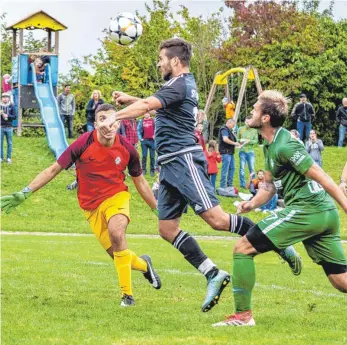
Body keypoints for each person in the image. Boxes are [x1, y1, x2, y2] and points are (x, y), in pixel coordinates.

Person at [98, 38, 300, 312]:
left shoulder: (179, 84)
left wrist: (115, 116)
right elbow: (157, 107)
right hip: (169, 165)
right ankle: (212, 273)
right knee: (166, 229)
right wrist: (131, 100)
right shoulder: (178, 86)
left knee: (217, 220)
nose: (158, 63)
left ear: (175, 61)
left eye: (161, 58)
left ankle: (277, 241)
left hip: (183, 159)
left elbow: (148, 106)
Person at [0, 104, 161, 306]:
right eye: (102, 119)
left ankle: (127, 296)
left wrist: (156, 208)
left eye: (112, 120)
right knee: (118, 254)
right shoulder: (83, 143)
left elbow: (141, 181)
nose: (108, 124)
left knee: (117, 232)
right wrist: (25, 192)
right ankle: (145, 265)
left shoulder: (128, 149)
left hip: (116, 196)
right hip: (90, 207)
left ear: (118, 123)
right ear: (95, 124)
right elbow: (53, 170)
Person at [213, 90, 347, 327]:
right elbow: (269, 187)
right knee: (340, 280)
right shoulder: (270, 144)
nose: (251, 112)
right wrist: (251, 203)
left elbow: (323, 177)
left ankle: (243, 317)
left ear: (265, 118)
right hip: (321, 214)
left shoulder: (286, 145)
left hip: (309, 211)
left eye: (255, 109)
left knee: (243, 248)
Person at [237, 116, 258, 188]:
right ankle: (242, 184)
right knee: (242, 168)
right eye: (246, 122)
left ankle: (253, 184)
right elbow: (237, 139)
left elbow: (256, 141)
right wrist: (240, 140)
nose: (247, 123)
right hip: (242, 151)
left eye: (249, 122)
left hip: (250, 152)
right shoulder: (240, 129)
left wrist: (249, 141)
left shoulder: (254, 130)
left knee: (251, 168)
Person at [218, 118, 239, 189]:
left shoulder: (229, 130)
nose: (233, 127)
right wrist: (234, 143)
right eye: (233, 125)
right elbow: (225, 139)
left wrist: (238, 143)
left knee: (232, 168)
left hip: (230, 152)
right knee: (225, 169)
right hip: (225, 152)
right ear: (229, 123)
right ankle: (222, 186)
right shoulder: (224, 129)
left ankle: (229, 185)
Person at [137, 112, 156, 176]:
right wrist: (140, 138)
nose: (146, 114)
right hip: (144, 141)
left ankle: (152, 170)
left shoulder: (154, 120)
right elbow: (138, 130)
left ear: (150, 114)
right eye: (145, 113)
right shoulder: (141, 121)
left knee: (152, 157)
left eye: (147, 113)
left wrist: (155, 135)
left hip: (152, 141)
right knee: (144, 156)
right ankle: (144, 170)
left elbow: (157, 129)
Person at [0, 93, 16, 164]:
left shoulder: (12, 106)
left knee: (9, 143)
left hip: (9, 128)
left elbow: (15, 116)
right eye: (3, 97)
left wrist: (8, 115)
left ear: (9, 98)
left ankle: (9, 158)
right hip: (1, 127)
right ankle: (1, 158)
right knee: (0, 143)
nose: (5, 98)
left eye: (6, 97)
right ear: (1, 98)